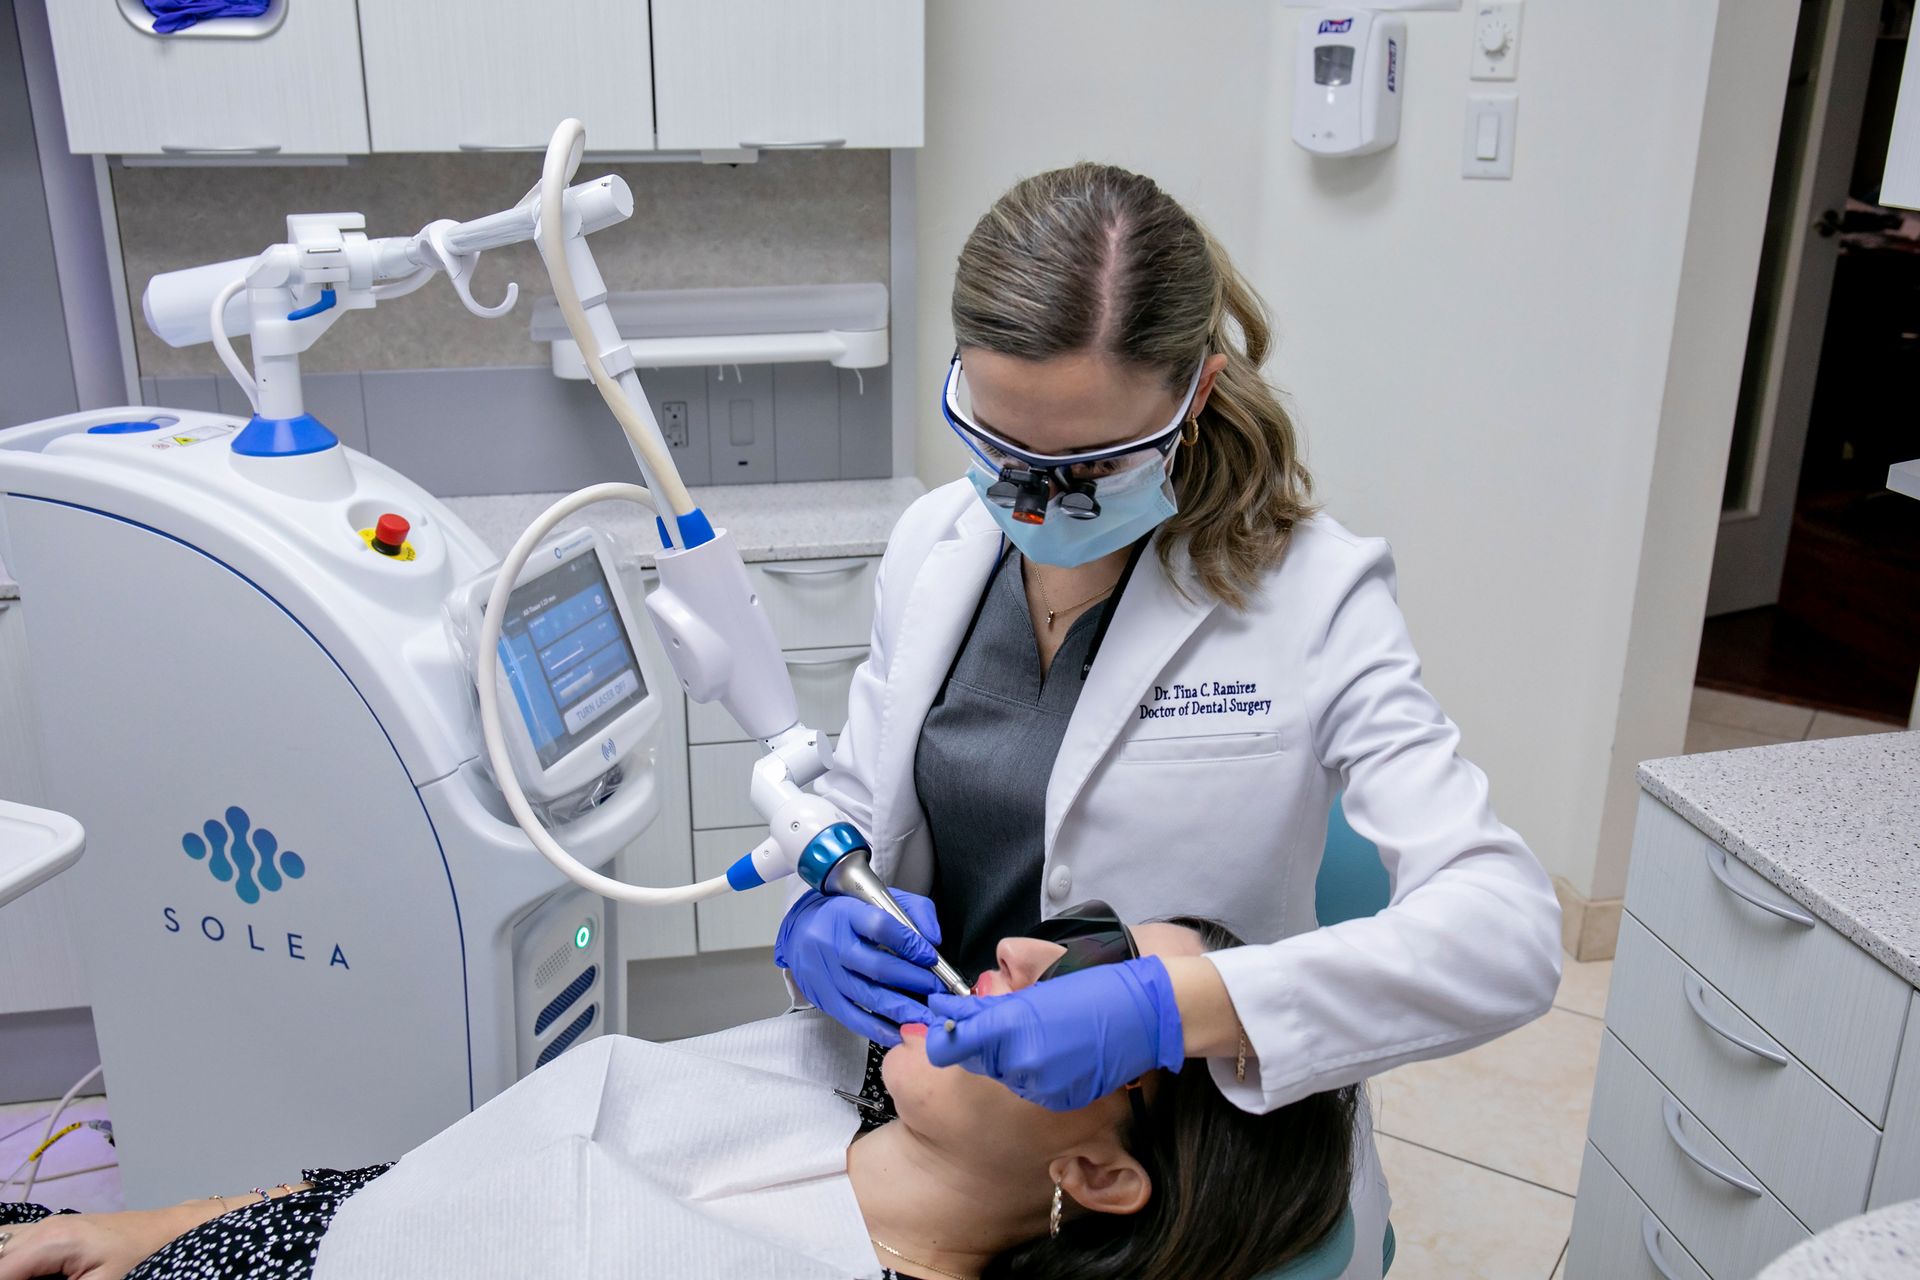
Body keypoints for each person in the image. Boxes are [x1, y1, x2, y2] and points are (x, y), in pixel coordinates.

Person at [775, 163, 1562, 1132]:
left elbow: (1506, 936)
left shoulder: (1314, 591)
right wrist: (825, 909)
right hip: (948, 1094)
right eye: (999, 440)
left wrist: (1172, 1010)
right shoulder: (931, 542)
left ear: (1195, 395)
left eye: (1088, 463)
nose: (1028, 498)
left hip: (1172, 1132)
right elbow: (867, 805)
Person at [0, 912, 1366, 1280]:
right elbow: (413, 1194)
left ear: (1105, 1173)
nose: (1020, 952)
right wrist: (163, 1222)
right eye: (1078, 934)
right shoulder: (800, 1078)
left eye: (1098, 988)